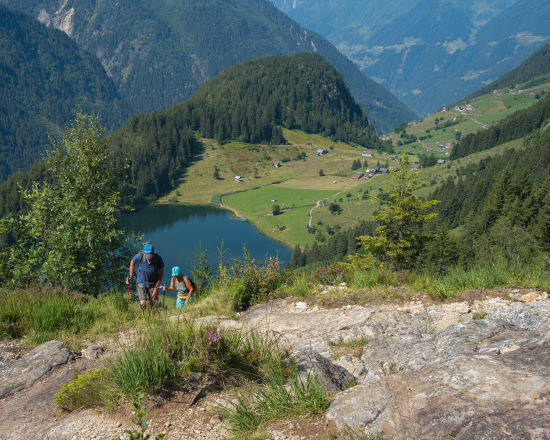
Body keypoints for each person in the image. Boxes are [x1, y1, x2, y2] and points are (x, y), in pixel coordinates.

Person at [126, 244, 164, 314]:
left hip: (153, 284)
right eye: (147, 255)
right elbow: (132, 262)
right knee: (142, 303)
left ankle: (152, 318)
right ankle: (144, 316)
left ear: (153, 253)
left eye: (150, 255)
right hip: (141, 282)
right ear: (144, 253)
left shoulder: (158, 259)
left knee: (153, 303)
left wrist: (156, 287)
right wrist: (130, 275)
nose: (149, 257)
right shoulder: (139, 256)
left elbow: (161, 273)